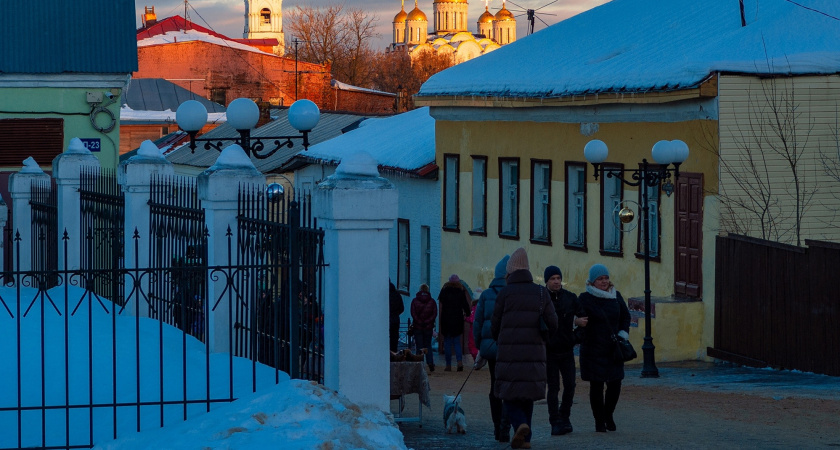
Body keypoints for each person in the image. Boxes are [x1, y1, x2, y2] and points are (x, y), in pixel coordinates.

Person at [491, 248, 558, 449]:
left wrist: (502, 339)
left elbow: (494, 325)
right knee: (527, 394)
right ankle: (525, 439)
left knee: (508, 393)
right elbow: (553, 323)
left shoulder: (504, 293)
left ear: (510, 272)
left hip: (509, 354)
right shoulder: (540, 292)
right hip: (534, 353)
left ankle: (520, 424)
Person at [578, 263, 631, 433]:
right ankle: (599, 421)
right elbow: (579, 318)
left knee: (615, 384)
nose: (604, 281)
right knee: (597, 386)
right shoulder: (585, 299)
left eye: (606, 278)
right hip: (593, 349)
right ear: (592, 282)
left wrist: (623, 333)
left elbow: (626, 316)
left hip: (613, 349)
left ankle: (609, 415)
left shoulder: (616, 296)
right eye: (600, 279)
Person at [543, 265, 587, 436]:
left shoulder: (569, 297)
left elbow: (584, 319)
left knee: (570, 385)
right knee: (553, 388)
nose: (556, 281)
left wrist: (574, 338)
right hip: (549, 351)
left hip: (566, 350)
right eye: (553, 279)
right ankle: (554, 421)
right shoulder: (542, 299)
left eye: (558, 278)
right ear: (547, 281)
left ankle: (565, 416)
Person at [473, 254, 511, 442]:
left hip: (491, 349)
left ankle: (498, 426)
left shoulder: (487, 295)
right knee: (510, 387)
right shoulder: (514, 293)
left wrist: (481, 345)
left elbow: (477, 322)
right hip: (511, 349)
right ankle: (506, 425)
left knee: (495, 385)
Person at [438, 274, 471, 371]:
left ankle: (448, 365)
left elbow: (441, 302)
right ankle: (459, 362)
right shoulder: (460, 292)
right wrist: (467, 314)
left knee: (447, 342)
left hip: (446, 319)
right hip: (457, 319)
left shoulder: (444, 291)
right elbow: (465, 305)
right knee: (457, 342)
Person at [410, 283, 438, 371]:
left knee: (419, 346)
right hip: (428, 327)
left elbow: (413, 313)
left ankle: (419, 364)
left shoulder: (415, 301)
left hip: (417, 327)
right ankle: (430, 363)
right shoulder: (432, 301)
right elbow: (434, 314)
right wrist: (427, 321)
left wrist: (419, 321)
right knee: (428, 345)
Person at [389, 280, 405, 353]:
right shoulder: (397, 295)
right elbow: (402, 308)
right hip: (395, 319)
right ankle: (393, 352)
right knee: (394, 337)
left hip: (386, 319)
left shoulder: (384, 296)